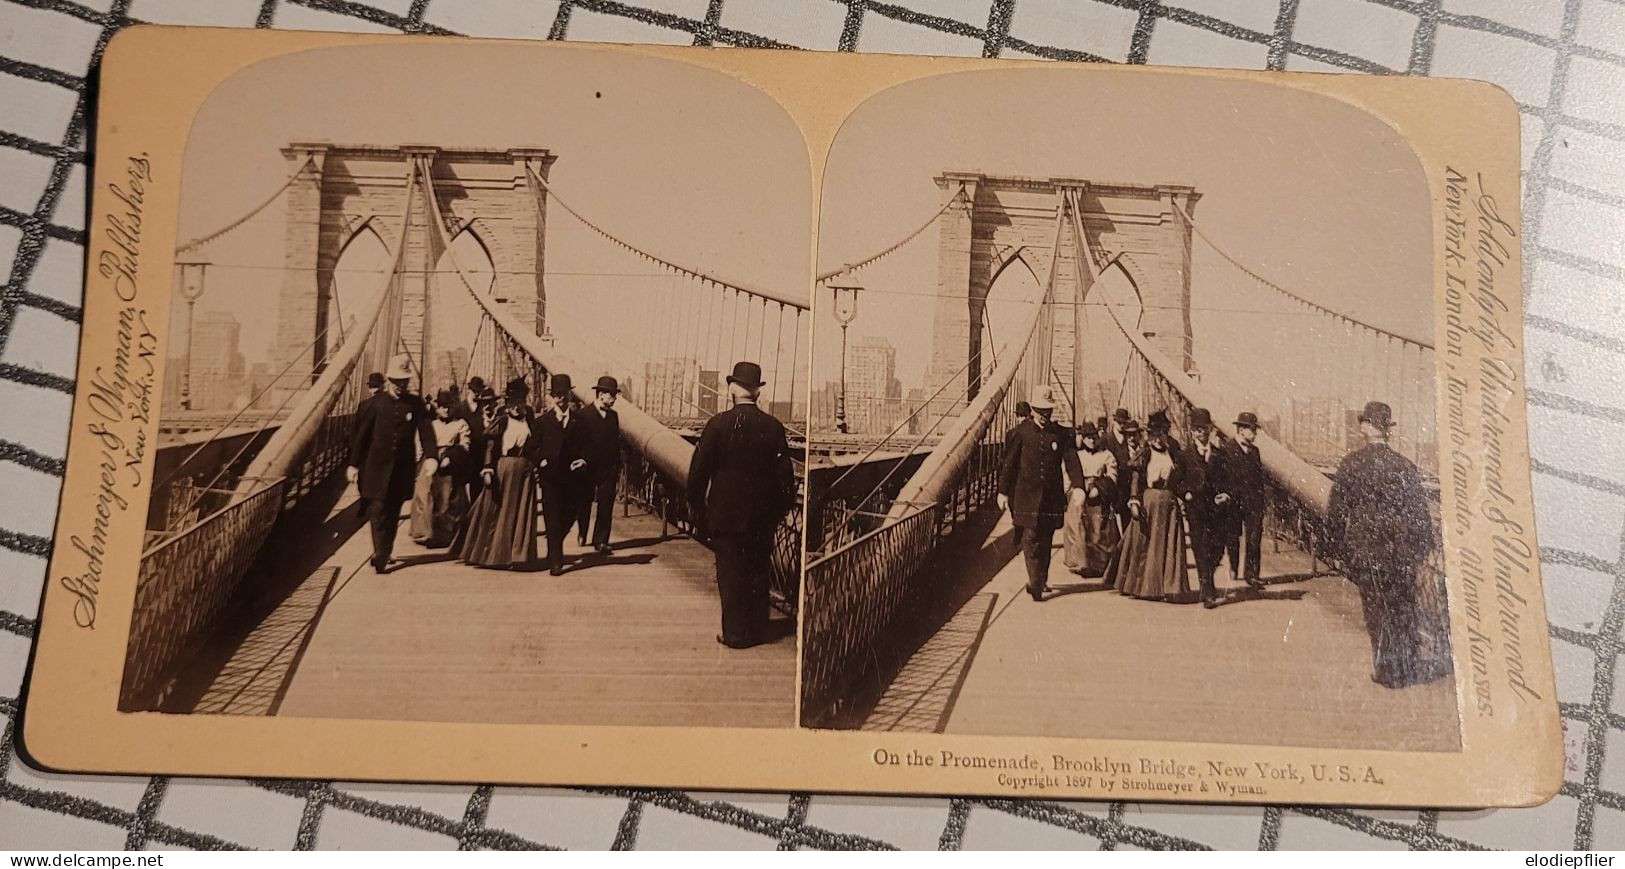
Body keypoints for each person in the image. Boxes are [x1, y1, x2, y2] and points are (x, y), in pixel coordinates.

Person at [1327, 401, 1441, 689]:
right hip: (1399, 554)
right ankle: (1402, 668)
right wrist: (1418, 553)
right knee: (1401, 608)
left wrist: (1339, 550)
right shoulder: (1405, 466)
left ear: (1366, 427)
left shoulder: (1350, 464)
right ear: (1388, 431)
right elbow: (1420, 517)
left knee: (1376, 609)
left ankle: (1385, 670)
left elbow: (1336, 514)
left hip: (1366, 553)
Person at [688, 361, 796, 649]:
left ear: (732, 389)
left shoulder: (717, 425)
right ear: (758, 393)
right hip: (761, 518)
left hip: (724, 515)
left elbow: (698, 472)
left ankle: (735, 633)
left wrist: (698, 508)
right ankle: (758, 629)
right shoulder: (773, 428)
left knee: (731, 573)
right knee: (758, 571)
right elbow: (786, 478)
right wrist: (778, 511)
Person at [347, 355, 436, 574]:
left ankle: (385, 551)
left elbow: (427, 432)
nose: (400, 386)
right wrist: (353, 464)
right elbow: (361, 436)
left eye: (404, 381)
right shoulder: (374, 405)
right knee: (378, 510)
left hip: (401, 470)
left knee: (394, 511)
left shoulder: (415, 404)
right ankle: (380, 553)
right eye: (397, 381)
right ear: (388, 380)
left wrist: (432, 456)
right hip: (375, 469)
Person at [997, 385, 1084, 601]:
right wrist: (1002, 492)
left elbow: (1072, 461)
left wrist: (1079, 485)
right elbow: (1008, 464)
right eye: (1040, 410)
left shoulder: (1060, 434)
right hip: (1025, 497)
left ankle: (1041, 579)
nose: (1044, 415)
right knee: (1031, 537)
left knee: (1045, 539)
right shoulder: (1020, 433)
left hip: (1051, 498)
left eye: (1048, 411)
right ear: (1033, 410)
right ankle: (1035, 582)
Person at [1109, 409, 1193, 601]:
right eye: (1154, 434)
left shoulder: (1173, 452)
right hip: (1150, 503)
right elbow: (1136, 480)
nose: (1158, 439)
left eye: (1162, 433)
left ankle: (1168, 587)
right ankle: (1144, 587)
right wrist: (1134, 501)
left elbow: (1179, 478)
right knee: (1148, 547)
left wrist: (1184, 493)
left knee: (1168, 547)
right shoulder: (1145, 454)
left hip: (1169, 506)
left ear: (1166, 433)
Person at [459, 377, 540, 569]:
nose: (516, 407)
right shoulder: (502, 419)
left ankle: (519, 555)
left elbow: (534, 443)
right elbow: (490, 445)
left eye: (519, 402)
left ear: (524, 401)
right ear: (506, 402)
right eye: (512, 402)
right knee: (500, 512)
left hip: (525, 471)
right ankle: (497, 555)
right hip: (504, 469)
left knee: (522, 514)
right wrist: (488, 468)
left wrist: (537, 465)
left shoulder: (529, 416)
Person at [537, 373, 592, 576]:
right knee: (552, 518)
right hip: (550, 478)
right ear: (552, 397)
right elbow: (532, 448)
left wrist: (584, 459)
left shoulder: (580, 420)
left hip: (572, 479)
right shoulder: (542, 422)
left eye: (564, 394)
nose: (560, 399)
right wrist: (541, 461)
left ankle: (554, 546)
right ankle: (556, 561)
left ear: (570, 395)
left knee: (569, 515)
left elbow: (589, 446)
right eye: (556, 395)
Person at [410, 389, 473, 548]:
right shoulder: (430, 425)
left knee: (447, 498)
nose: (445, 409)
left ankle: (445, 535)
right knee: (425, 495)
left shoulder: (460, 424)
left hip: (449, 463)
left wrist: (451, 458)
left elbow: (465, 446)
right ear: (437, 408)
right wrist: (417, 465)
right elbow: (421, 445)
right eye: (442, 406)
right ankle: (425, 532)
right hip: (431, 460)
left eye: (448, 406)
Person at [1062, 420, 1120, 578]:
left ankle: (1100, 564)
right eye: (1088, 437)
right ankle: (1081, 563)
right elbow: (1068, 474)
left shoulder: (1106, 455)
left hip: (1098, 492)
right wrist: (1069, 493)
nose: (1091, 440)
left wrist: (1099, 488)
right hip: (1079, 491)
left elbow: (1112, 475)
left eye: (1094, 437)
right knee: (1078, 526)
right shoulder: (1077, 455)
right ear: (1083, 438)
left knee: (1099, 527)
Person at [576, 375, 623, 554]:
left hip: (608, 468)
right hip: (587, 468)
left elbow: (615, 442)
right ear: (601, 394)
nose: (614, 399)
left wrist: (616, 466)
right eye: (612, 395)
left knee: (606, 505)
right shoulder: (584, 415)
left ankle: (601, 540)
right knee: (584, 502)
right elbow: (578, 442)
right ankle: (582, 530)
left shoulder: (614, 417)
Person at [1225, 411, 1268, 590]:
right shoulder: (1227, 449)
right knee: (1232, 536)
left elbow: (1259, 478)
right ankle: (1234, 566)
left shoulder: (1255, 451)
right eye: (1252, 429)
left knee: (1253, 538)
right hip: (1233, 502)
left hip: (1253, 502)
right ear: (1241, 430)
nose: (1255, 433)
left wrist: (1261, 502)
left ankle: (1251, 575)